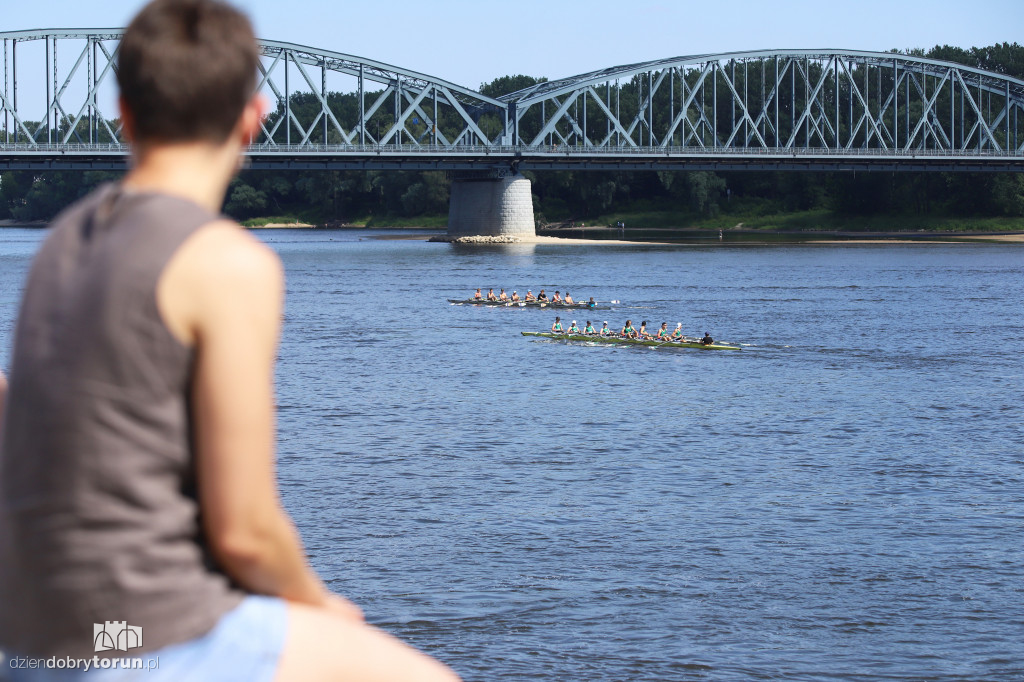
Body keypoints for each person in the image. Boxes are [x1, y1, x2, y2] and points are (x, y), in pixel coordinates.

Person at [0, 2, 458, 681]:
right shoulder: (227, 262)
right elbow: (246, 532)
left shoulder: (60, 241)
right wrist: (322, 604)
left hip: (31, 634)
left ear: (123, 114)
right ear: (254, 118)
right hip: (136, 638)